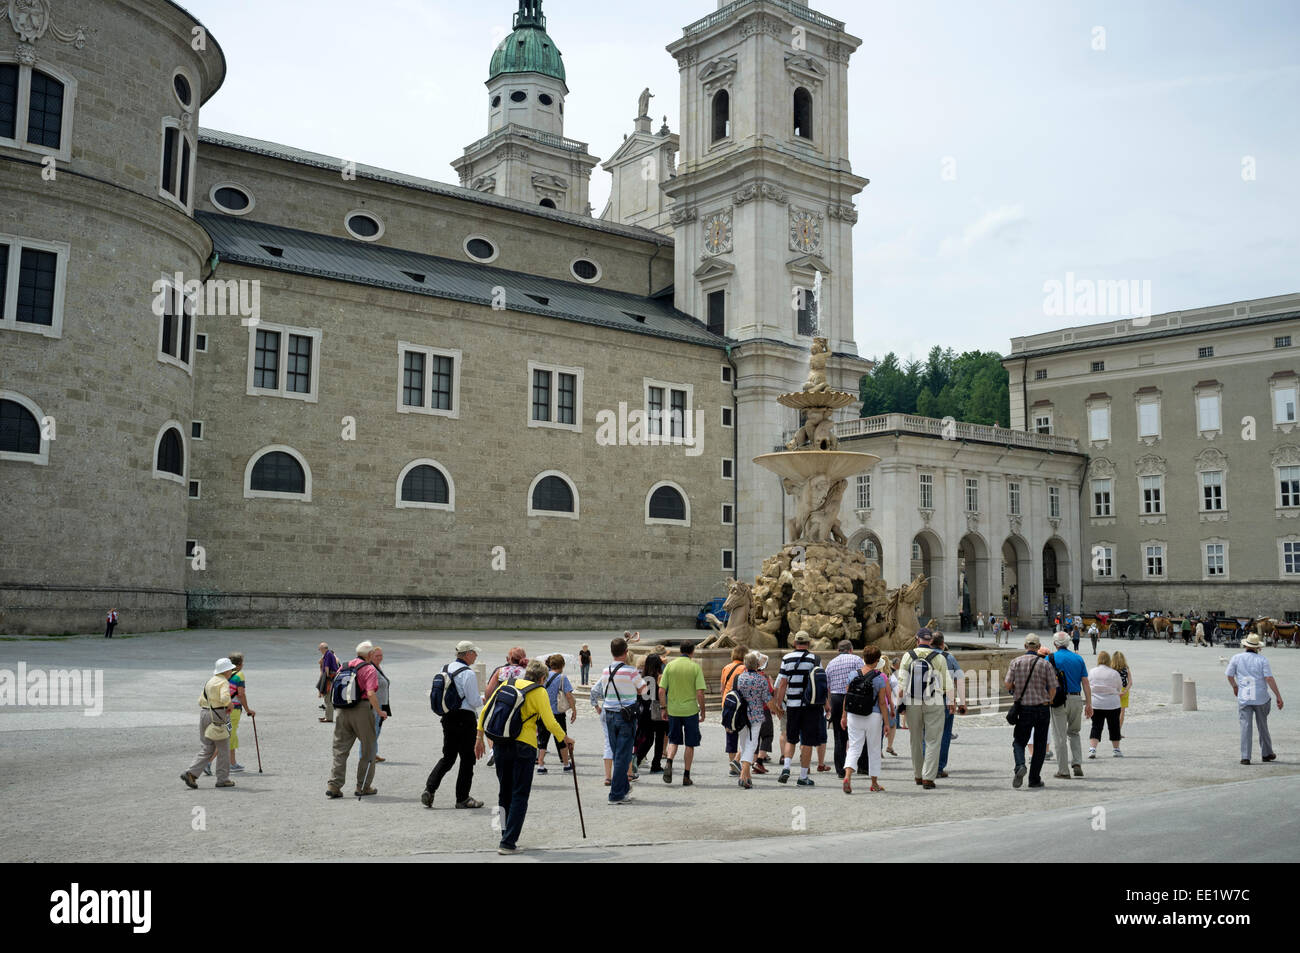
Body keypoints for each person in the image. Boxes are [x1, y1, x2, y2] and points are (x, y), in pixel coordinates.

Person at [475, 659, 573, 854]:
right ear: (542, 678)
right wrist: (566, 738)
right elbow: (550, 722)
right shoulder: (539, 692)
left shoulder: (507, 684)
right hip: (524, 747)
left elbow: (485, 710)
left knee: (504, 791)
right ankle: (508, 842)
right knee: (520, 793)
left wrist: (479, 736)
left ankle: (504, 832)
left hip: (501, 743)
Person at [422, 641, 484, 809]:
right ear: (468, 654)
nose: (476, 656)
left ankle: (430, 788)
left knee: (448, 757)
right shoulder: (468, 673)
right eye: (474, 653)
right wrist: (484, 699)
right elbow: (473, 700)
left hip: (448, 716)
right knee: (467, 758)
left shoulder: (444, 669)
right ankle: (462, 798)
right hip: (465, 718)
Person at [326, 641, 386, 798]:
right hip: (361, 710)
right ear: (370, 655)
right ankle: (363, 786)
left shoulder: (344, 666)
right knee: (368, 748)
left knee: (340, 749)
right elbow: (371, 693)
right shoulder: (368, 669)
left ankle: (334, 785)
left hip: (342, 710)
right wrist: (379, 711)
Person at [897, 628, 953, 789]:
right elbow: (947, 682)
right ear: (930, 641)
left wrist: (899, 705)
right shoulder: (939, 657)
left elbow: (901, 684)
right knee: (933, 740)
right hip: (934, 699)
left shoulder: (908, 656)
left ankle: (918, 775)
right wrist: (952, 701)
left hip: (912, 701)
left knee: (915, 739)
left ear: (917, 639)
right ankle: (929, 777)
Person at [772, 632, 829, 786]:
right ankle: (803, 776)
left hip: (792, 705)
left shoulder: (786, 658)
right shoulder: (814, 659)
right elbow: (821, 682)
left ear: (795, 643)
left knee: (791, 738)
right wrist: (826, 703)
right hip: (810, 706)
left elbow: (783, 683)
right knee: (808, 742)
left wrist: (779, 703)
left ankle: (786, 768)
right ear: (808, 643)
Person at [601, 636, 650, 803]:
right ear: (626, 652)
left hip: (609, 714)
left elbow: (604, 690)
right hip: (626, 715)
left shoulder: (606, 670)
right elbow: (644, 690)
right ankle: (616, 794)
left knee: (617, 753)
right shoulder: (631, 671)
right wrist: (632, 691)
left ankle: (623, 789)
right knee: (623, 754)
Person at [1004, 634, 1056, 788]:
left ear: (1026, 646)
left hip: (1024, 709)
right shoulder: (1045, 664)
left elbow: (1007, 683)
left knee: (1019, 741)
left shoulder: (1016, 662)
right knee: (1040, 745)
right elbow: (1053, 687)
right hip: (1042, 708)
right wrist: (1049, 700)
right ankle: (1034, 779)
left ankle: (1020, 765)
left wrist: (1015, 690)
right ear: (1038, 647)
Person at [1226, 633, 1283, 764]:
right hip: (1261, 697)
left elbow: (1229, 675)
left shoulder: (1236, 658)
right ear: (1258, 647)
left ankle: (1245, 756)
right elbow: (1269, 678)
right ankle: (1266, 753)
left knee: (1245, 727)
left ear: (1245, 645)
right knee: (1263, 725)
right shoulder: (1262, 660)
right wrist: (1278, 696)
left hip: (1244, 697)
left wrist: (1235, 686)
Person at [841, 645, 890, 794]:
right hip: (873, 715)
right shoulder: (879, 678)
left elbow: (847, 696)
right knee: (874, 749)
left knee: (854, 746)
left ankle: (848, 776)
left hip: (853, 715)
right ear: (876, 661)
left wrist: (844, 715)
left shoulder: (853, 674)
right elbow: (882, 702)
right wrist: (887, 723)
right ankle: (874, 783)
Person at [181, 658, 237, 789]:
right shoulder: (223, 682)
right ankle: (223, 779)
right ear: (226, 670)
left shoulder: (210, 681)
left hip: (204, 713)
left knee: (207, 747)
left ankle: (191, 772)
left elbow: (200, 700)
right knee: (223, 748)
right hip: (218, 715)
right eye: (231, 669)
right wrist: (230, 705)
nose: (231, 672)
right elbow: (224, 698)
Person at [660, 640, 707, 785]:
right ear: (692, 651)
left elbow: (661, 690)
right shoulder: (695, 667)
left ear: (680, 650)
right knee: (690, 744)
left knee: (673, 740)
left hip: (673, 710)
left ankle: (669, 761)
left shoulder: (670, 666)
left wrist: (664, 708)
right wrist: (703, 711)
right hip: (690, 710)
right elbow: (700, 693)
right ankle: (686, 776)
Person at [1048, 633, 1091, 779]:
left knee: (1059, 736)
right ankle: (1077, 763)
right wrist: (1089, 703)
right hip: (1076, 698)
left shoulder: (1050, 658)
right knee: (1074, 732)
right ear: (1068, 643)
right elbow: (1085, 682)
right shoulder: (1078, 658)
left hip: (1058, 700)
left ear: (1055, 644)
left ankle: (1063, 770)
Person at [826, 639, 866, 779]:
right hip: (853, 696)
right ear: (851, 649)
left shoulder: (831, 663)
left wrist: (829, 703)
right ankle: (861, 765)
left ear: (838, 650)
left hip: (836, 698)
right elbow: (864, 677)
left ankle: (840, 769)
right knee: (858, 732)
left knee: (839, 736)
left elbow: (828, 686)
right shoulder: (856, 660)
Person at [928, 633, 966, 778]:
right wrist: (962, 702)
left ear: (931, 643)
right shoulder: (948, 657)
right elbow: (960, 678)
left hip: (925, 699)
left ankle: (927, 766)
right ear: (942, 644)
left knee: (927, 733)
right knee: (944, 734)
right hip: (945, 700)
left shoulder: (923, 656)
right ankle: (938, 767)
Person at [735, 651, 773, 789]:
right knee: (752, 745)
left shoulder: (739, 678)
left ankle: (747, 776)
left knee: (744, 744)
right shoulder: (761, 679)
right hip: (755, 716)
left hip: (740, 716)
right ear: (757, 664)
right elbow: (768, 700)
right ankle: (743, 776)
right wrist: (778, 710)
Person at [535, 654, 576, 774]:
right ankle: (566, 764)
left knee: (543, 739)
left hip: (543, 712)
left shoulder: (544, 676)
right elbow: (568, 695)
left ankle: (541, 765)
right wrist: (573, 709)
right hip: (557, 713)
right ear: (562, 665)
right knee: (561, 738)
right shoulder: (562, 677)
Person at [635, 651, 668, 773]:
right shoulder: (660, 677)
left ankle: (636, 761)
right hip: (658, 711)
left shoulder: (642, 678)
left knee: (648, 739)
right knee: (659, 738)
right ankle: (656, 764)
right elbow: (662, 694)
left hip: (644, 713)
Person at [1087, 651, 1123, 758]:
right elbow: (1119, 687)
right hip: (1112, 703)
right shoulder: (1114, 673)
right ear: (1109, 660)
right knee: (1114, 726)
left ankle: (1093, 749)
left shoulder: (1092, 671)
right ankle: (1116, 749)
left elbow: (1088, 686)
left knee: (1096, 726)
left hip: (1096, 703)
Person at [719, 645, 748, 776]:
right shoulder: (744, 669)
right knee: (744, 734)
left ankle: (732, 765)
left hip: (727, 703)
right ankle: (738, 762)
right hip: (740, 705)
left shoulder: (726, 667)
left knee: (730, 735)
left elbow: (722, 687)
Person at [226, 653, 254, 772]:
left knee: (231, 735)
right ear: (239, 665)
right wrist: (248, 710)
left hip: (222, 708)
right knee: (229, 736)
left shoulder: (223, 674)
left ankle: (232, 763)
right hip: (234, 709)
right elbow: (241, 694)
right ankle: (209, 762)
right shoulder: (239, 675)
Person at [369, 645, 391, 763]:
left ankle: (373, 753)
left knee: (376, 730)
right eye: (376, 656)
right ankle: (368, 756)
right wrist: (378, 708)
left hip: (381, 704)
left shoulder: (377, 667)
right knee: (372, 731)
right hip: (374, 705)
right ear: (371, 656)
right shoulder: (371, 669)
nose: (379, 658)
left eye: (381, 655)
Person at [318, 642, 340, 723]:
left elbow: (327, 666)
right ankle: (327, 716)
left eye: (320, 649)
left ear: (323, 648)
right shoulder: (330, 654)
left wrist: (326, 677)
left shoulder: (327, 654)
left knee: (327, 699)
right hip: (332, 676)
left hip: (329, 677)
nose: (320, 651)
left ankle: (329, 718)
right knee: (327, 698)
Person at [1113, 650, 1133, 728]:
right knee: (1122, 712)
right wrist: (1124, 691)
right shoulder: (1126, 668)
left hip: (1114, 691)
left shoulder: (1112, 669)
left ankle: (1113, 730)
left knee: (1114, 712)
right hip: (1124, 690)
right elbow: (1130, 682)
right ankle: (1118, 731)